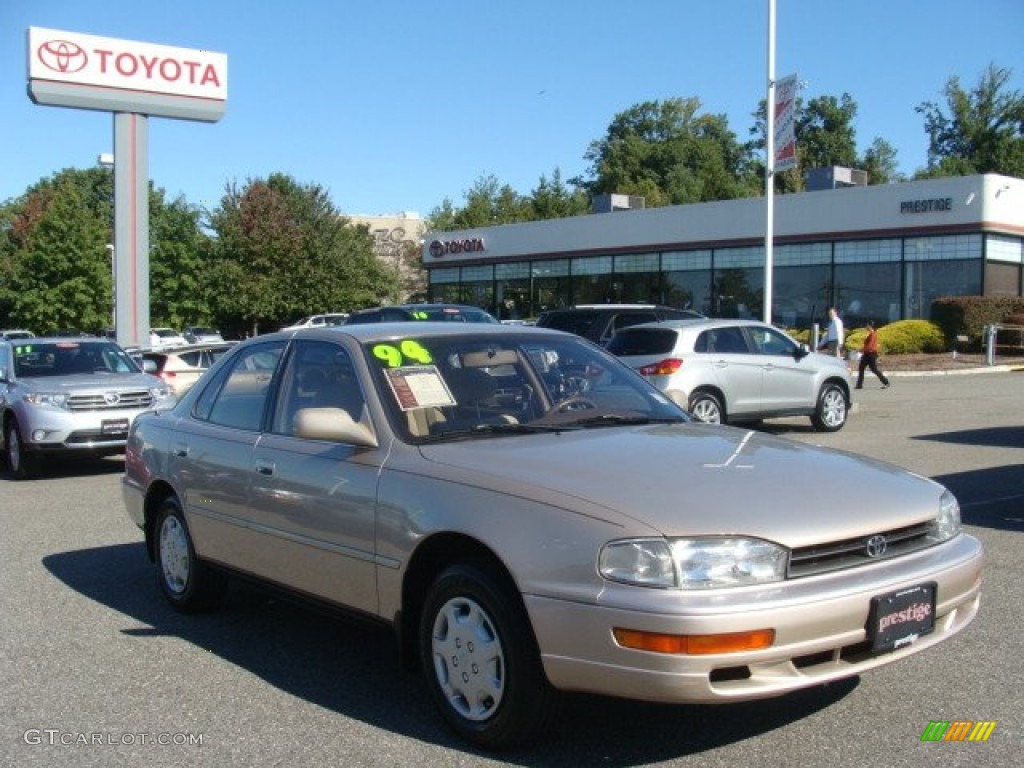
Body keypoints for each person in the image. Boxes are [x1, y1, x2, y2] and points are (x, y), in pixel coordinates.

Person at [856, 321, 890, 389]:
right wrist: (863, 351)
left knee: (874, 369)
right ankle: (859, 385)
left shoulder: (873, 334)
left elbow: (870, 346)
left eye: (867, 325)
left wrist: (861, 350)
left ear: (870, 326)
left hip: (871, 354)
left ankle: (886, 382)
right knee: (861, 368)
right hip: (867, 354)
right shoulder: (870, 334)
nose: (866, 327)